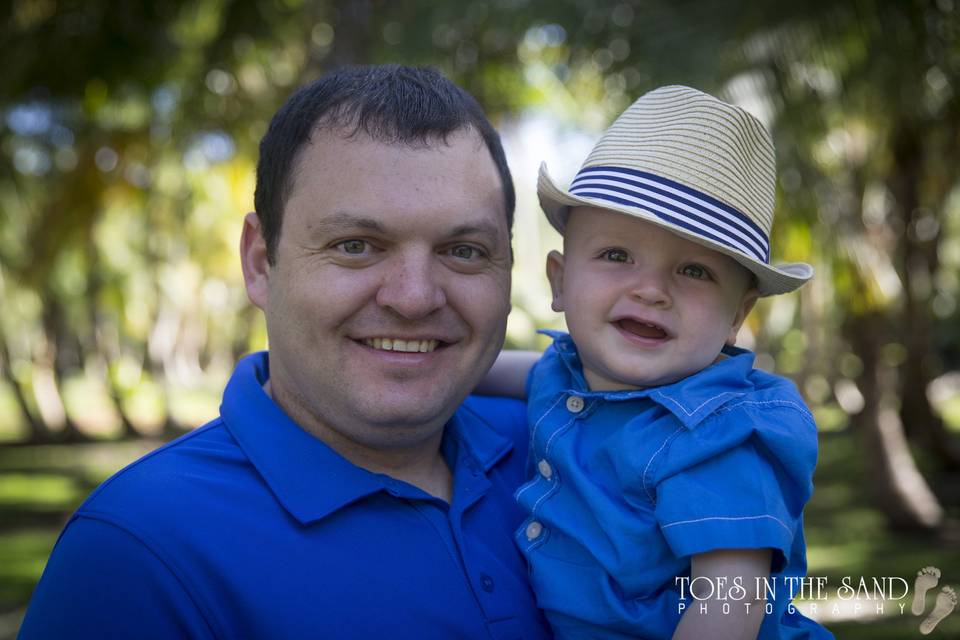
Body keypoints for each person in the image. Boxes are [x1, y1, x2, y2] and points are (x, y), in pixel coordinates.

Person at [19, 65, 551, 640]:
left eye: (464, 251)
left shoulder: (565, 450)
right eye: (356, 246)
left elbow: (671, 585)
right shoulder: (138, 550)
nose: (415, 297)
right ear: (259, 263)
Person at [484, 86, 833, 639]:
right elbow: (491, 369)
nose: (650, 290)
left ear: (736, 314)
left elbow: (728, 605)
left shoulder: (719, 437)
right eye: (616, 255)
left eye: (695, 271)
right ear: (559, 281)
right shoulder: (562, 374)